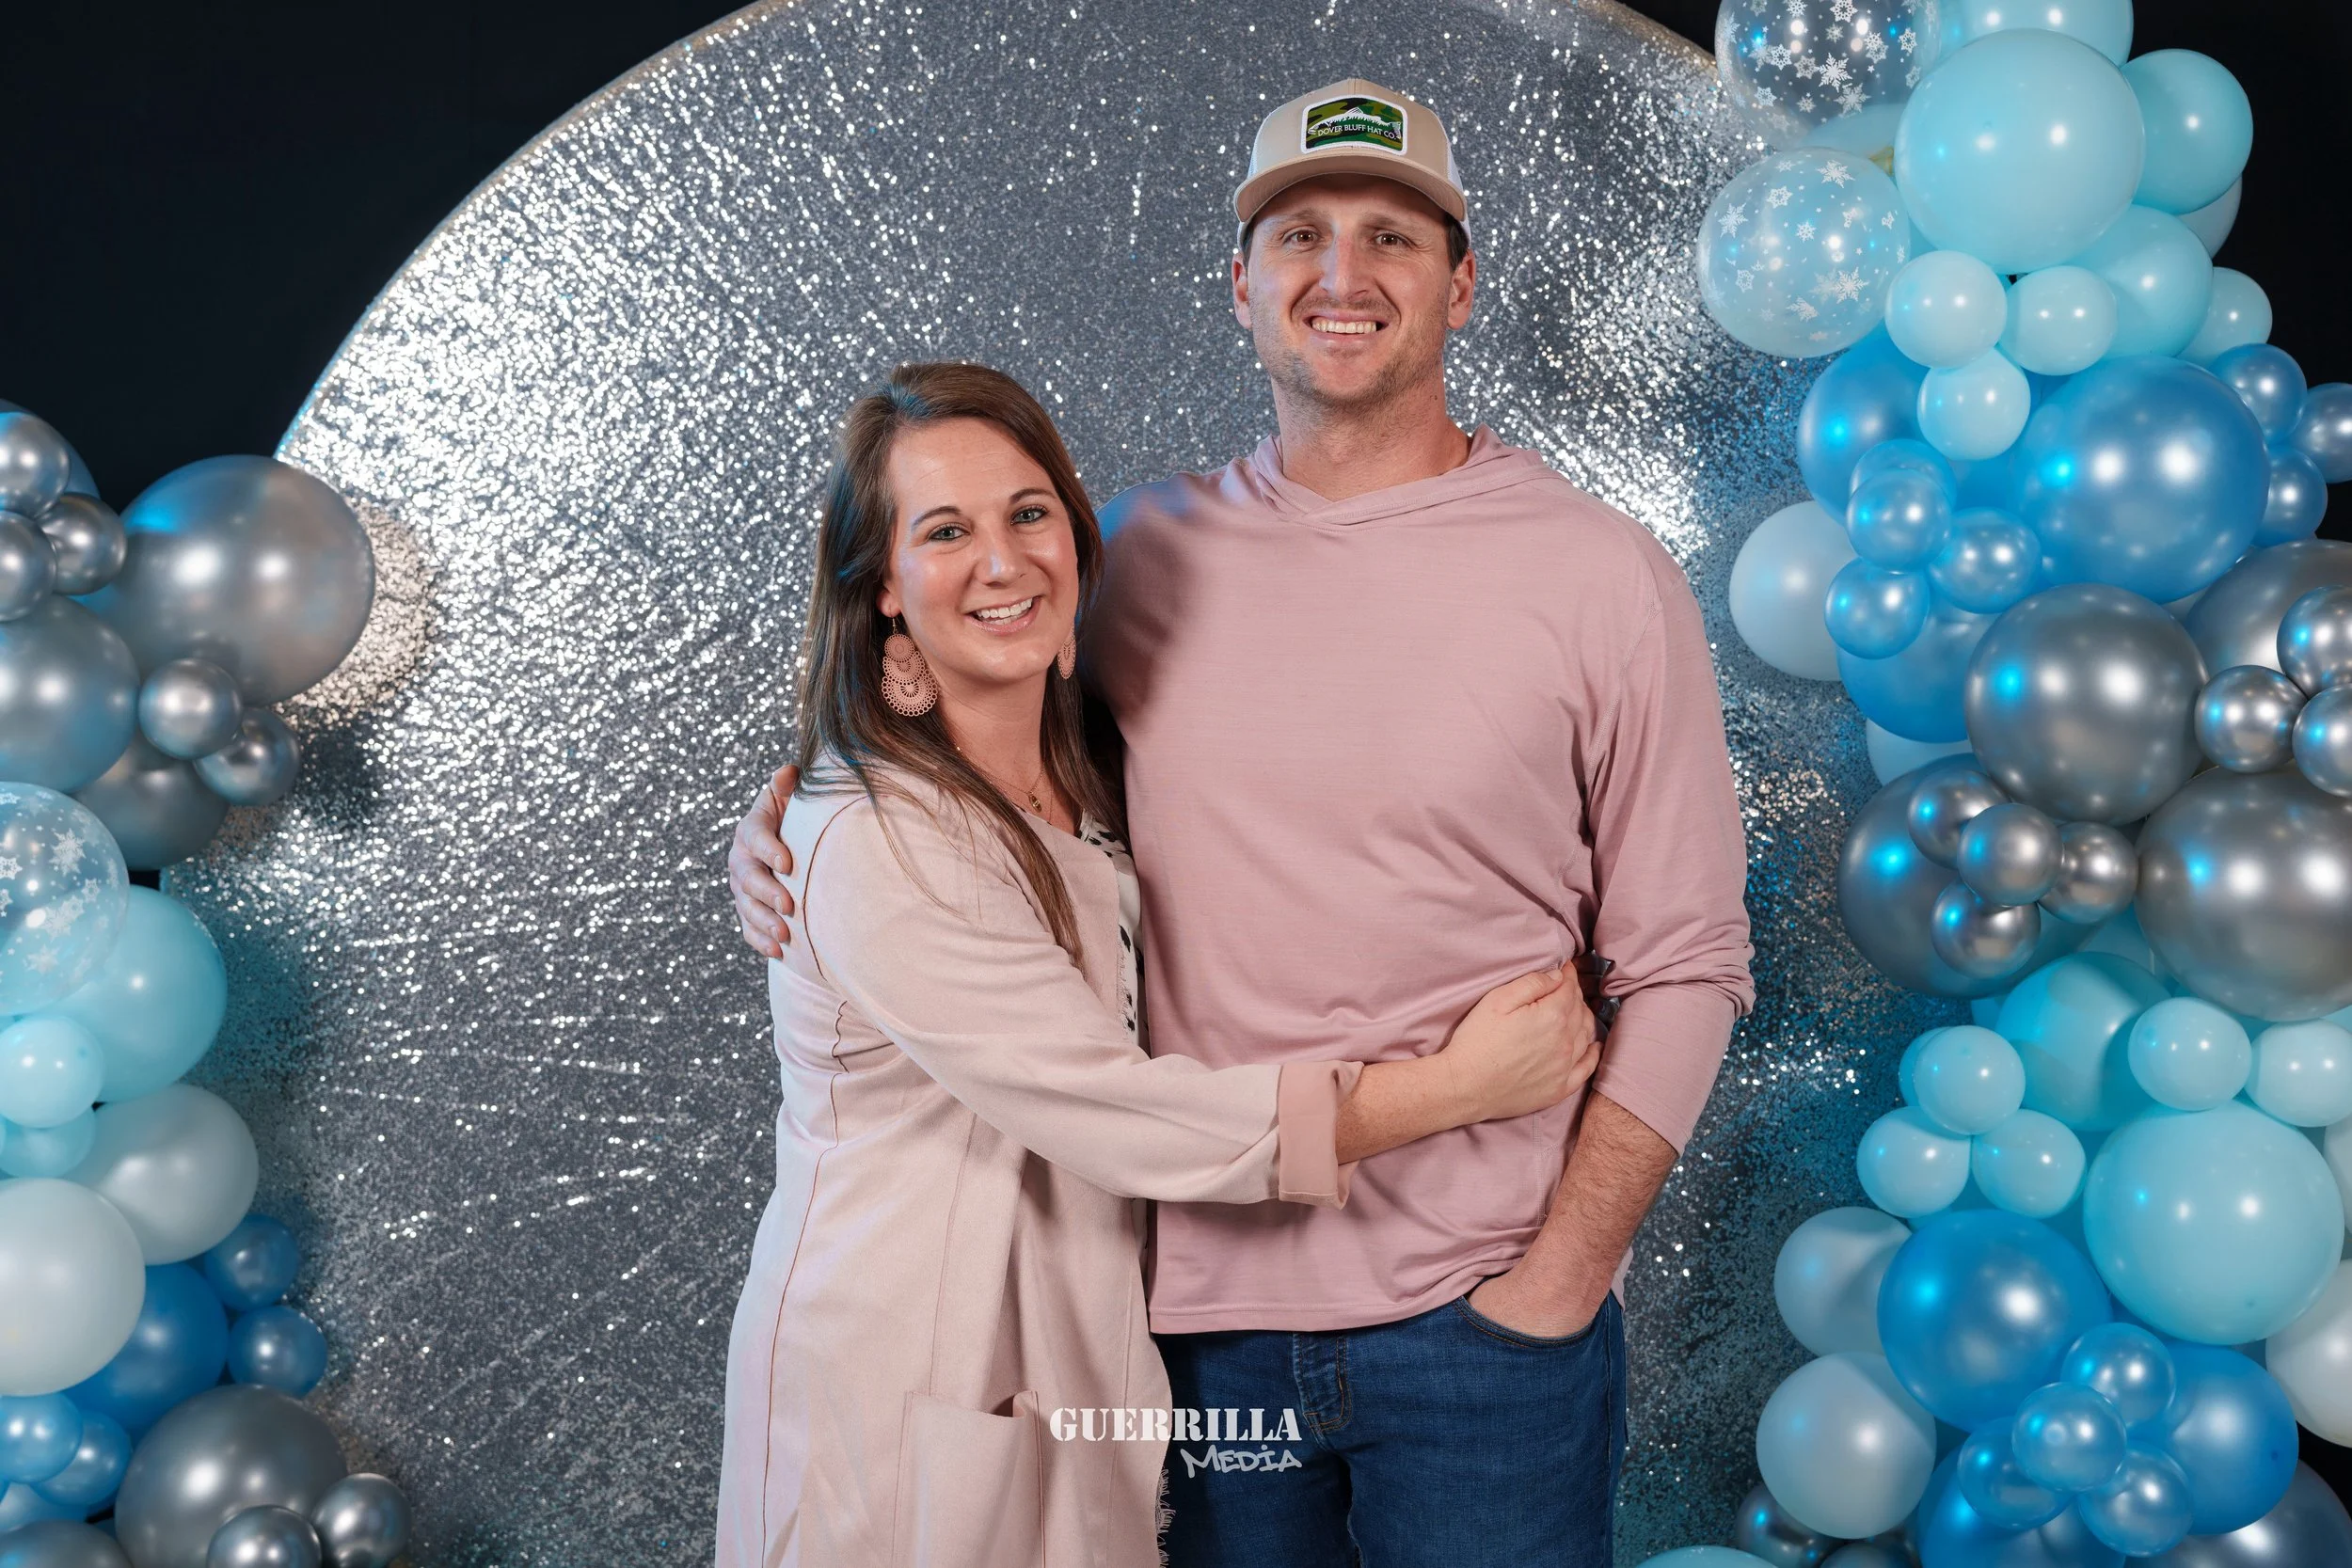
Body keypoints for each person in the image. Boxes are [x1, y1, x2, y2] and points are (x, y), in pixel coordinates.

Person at [731, 79, 1754, 1566]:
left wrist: (1561, 1276)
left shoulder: (1602, 576)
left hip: (1482, 1327)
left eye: (1393, 237)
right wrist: (788, 823)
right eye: (1300, 236)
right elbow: (968, 765)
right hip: (1191, 1332)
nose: (1343, 276)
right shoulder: (1132, 556)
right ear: (1243, 285)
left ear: (1461, 283)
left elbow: (1691, 962)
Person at [713, 359, 1602, 1568]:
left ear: (1080, 540)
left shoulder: (1078, 771)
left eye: (1029, 513)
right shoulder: (871, 834)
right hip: (911, 1376)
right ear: (880, 589)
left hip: (1088, 1364)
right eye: (944, 530)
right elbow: (1121, 1112)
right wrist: (1460, 1086)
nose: (1001, 559)